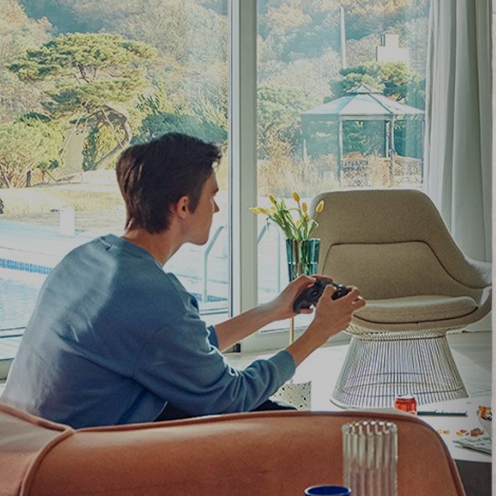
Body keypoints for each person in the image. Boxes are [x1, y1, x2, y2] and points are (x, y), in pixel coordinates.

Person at [0, 133, 365, 428]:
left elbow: (177, 347)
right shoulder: (152, 295)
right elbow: (230, 398)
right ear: (183, 206)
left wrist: (271, 311)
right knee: (284, 424)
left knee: (266, 409)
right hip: (69, 461)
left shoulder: (87, 258)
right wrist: (317, 334)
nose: (217, 208)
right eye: (212, 196)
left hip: (28, 437)